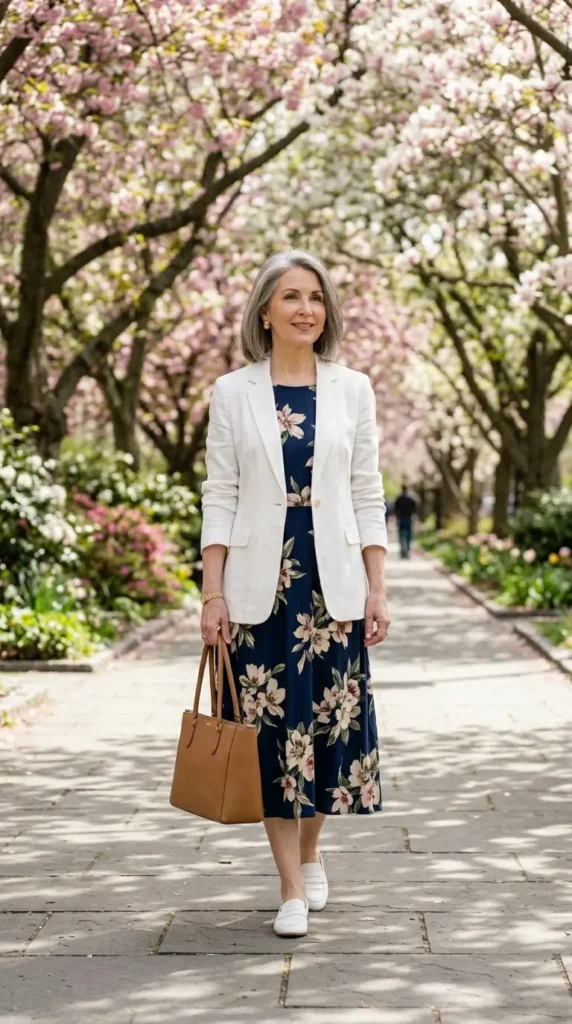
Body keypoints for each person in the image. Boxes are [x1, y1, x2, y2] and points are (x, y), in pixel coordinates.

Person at [199, 249, 390, 939]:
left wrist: (378, 588)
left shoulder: (353, 389)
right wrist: (210, 593)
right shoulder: (232, 392)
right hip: (260, 588)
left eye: (315, 296)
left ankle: (311, 851)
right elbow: (219, 495)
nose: (306, 308)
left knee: (326, 733)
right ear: (264, 311)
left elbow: (369, 493)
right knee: (272, 736)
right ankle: (288, 888)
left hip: (332, 584)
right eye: (290, 297)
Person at [394, 484, 417, 559]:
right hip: (408, 518)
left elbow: (395, 510)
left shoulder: (399, 499)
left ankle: (403, 550)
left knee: (401, 535)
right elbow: (415, 509)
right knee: (408, 535)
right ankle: (407, 550)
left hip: (401, 518)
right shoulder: (411, 499)